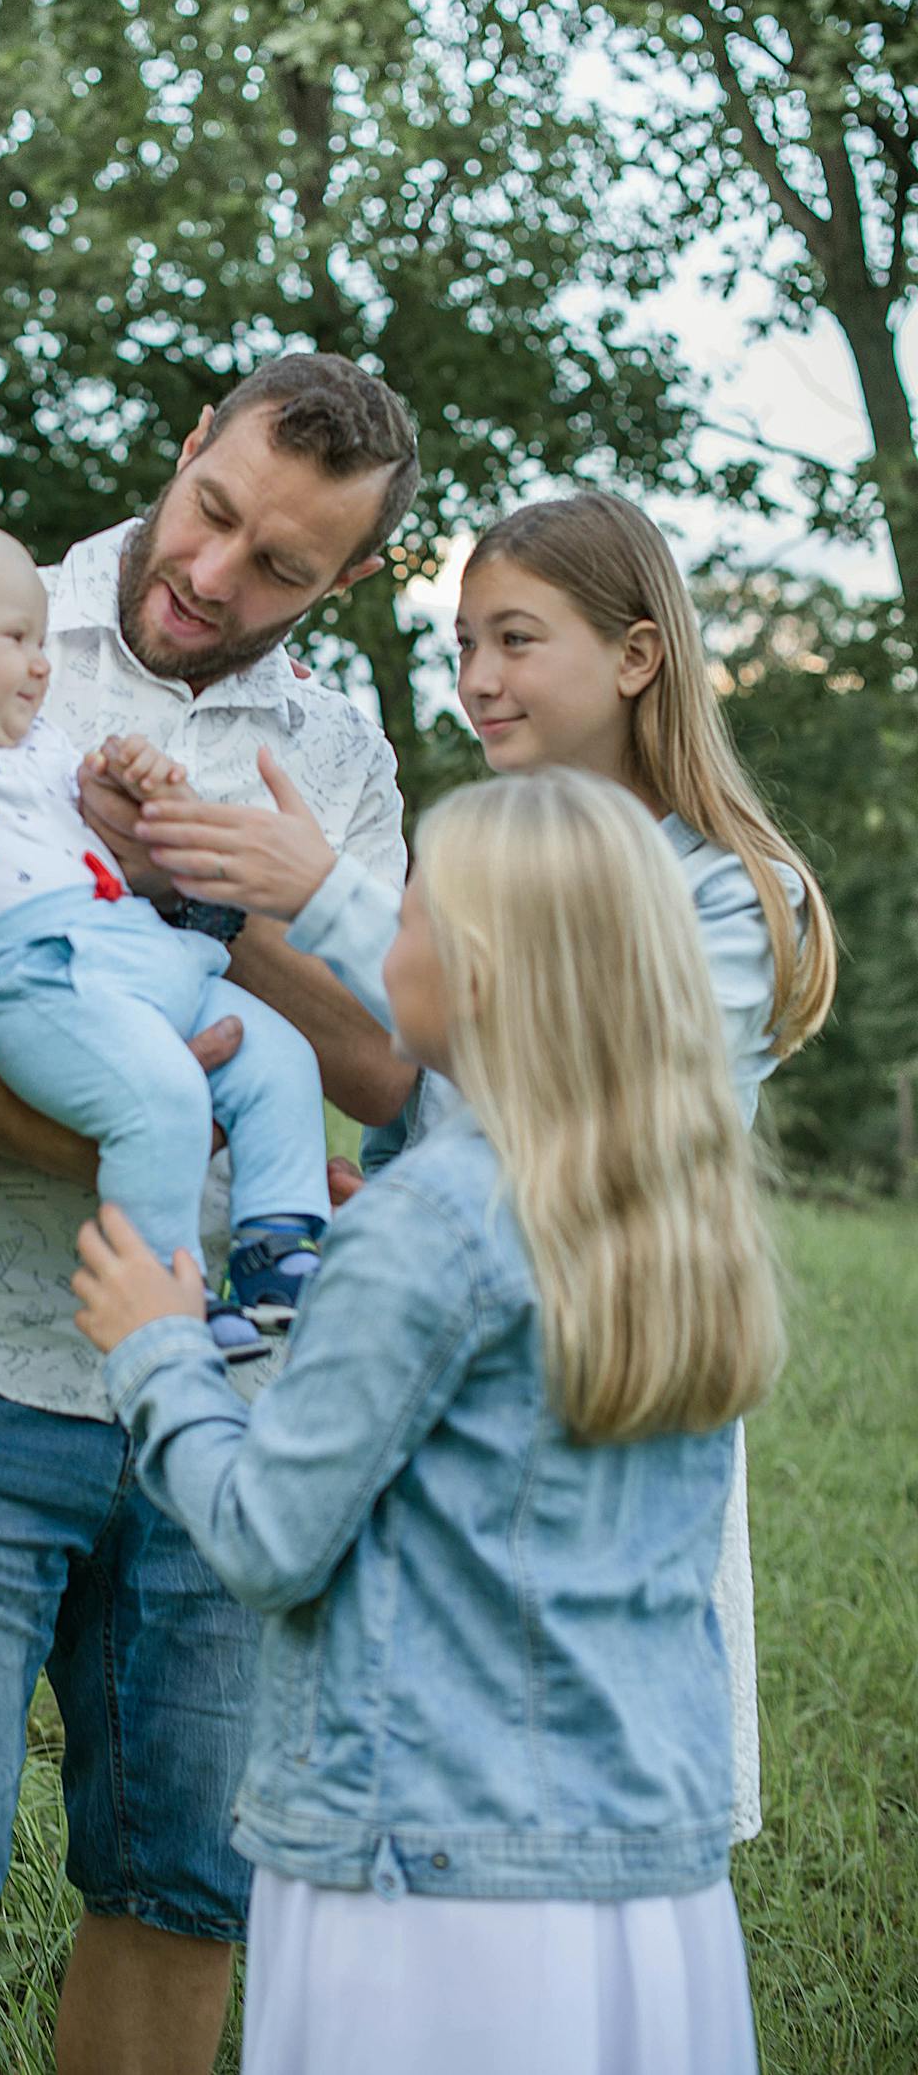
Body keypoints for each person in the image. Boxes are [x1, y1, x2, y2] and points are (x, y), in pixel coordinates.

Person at [0, 351, 422, 2075]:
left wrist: (224, 888)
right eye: (214, 513)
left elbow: (381, 1066)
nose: (214, 575)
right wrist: (115, 1146)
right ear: (184, 443)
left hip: (227, 1423)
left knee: (184, 1896)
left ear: (344, 581)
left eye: (281, 566)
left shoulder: (337, 761)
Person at [134, 486, 835, 1844]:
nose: (477, 681)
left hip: (605, 1375)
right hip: (445, 1364)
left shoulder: (735, 891)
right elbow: (446, 1105)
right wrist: (386, 1196)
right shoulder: (495, 849)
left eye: (516, 640)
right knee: (435, 1752)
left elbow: (594, 1087)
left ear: (638, 656)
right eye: (461, 644)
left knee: (588, 1784)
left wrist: (321, 890)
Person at [74, 769, 784, 2075]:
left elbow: (271, 1536)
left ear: (484, 967)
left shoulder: (441, 1218)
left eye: (412, 914)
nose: (381, 937)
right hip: (646, 1878)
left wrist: (158, 1345)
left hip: (434, 1881)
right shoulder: (681, 1214)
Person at [0, 505, 334, 1357]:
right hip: (34, 972)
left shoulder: (41, 741)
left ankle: (281, 1249)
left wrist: (123, 790)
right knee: (162, 1099)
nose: (39, 665)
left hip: (136, 944)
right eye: (18, 639)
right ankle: (166, 1301)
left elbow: (99, 812)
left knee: (280, 1054)